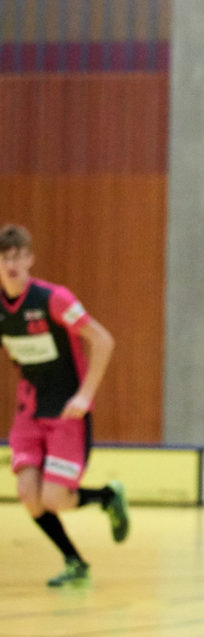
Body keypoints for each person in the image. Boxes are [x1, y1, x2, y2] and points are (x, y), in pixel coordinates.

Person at [0, 224, 129, 587]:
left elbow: (103, 340)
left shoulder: (53, 299)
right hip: (29, 409)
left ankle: (107, 496)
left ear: (30, 259)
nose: (12, 264)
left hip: (66, 413)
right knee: (28, 495)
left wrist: (86, 394)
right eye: (4, 258)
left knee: (54, 497)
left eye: (18, 256)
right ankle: (74, 562)